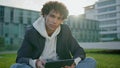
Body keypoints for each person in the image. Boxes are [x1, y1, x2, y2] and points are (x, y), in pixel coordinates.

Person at [11, 1, 96, 68]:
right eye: (52, 16)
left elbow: (78, 51)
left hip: (61, 65)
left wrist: (74, 63)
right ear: (45, 15)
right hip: (41, 66)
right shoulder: (31, 32)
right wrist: (35, 62)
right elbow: (20, 58)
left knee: (90, 61)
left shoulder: (65, 30)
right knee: (16, 66)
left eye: (59, 18)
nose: (55, 21)